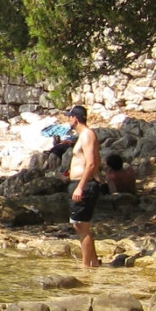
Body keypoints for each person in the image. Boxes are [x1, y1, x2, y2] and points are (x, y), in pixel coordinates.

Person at [65, 105, 102, 268]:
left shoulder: (87, 135)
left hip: (84, 185)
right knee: (79, 224)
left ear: (75, 118)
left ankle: (86, 266)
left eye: (69, 116)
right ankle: (93, 262)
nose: (68, 119)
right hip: (80, 183)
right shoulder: (82, 136)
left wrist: (81, 186)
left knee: (81, 225)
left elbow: (92, 163)